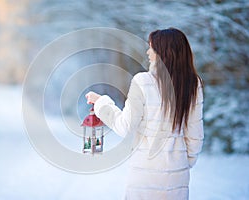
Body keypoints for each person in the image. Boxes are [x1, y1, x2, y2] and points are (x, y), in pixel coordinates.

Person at [86, 28, 204, 200]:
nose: (148, 52)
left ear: (164, 52)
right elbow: (195, 136)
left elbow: (124, 126)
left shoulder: (143, 82)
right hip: (177, 176)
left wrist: (101, 103)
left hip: (144, 175)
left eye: (152, 48)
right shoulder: (193, 84)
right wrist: (182, 164)